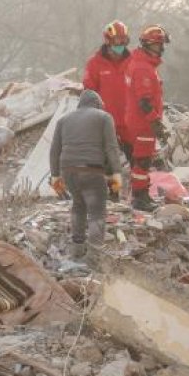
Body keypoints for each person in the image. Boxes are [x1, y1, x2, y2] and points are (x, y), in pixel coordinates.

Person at [49, 90, 122, 260]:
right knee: (97, 211)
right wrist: (116, 174)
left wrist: (55, 176)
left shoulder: (63, 120)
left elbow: (54, 151)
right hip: (91, 170)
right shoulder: (104, 117)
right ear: (97, 103)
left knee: (78, 205)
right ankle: (95, 256)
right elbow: (111, 148)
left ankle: (77, 250)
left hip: (68, 171)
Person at [125, 24, 170, 211]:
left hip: (140, 121)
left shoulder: (143, 64)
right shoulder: (143, 68)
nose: (162, 49)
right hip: (142, 122)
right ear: (150, 45)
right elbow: (144, 101)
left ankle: (142, 195)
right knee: (142, 161)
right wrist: (156, 122)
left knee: (143, 160)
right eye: (159, 45)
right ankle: (140, 198)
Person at [83, 20, 132, 164]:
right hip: (105, 123)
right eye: (118, 40)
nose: (121, 44)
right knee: (107, 165)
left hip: (129, 124)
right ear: (108, 40)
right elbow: (89, 93)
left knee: (137, 165)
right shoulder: (94, 64)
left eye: (124, 40)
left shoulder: (133, 61)